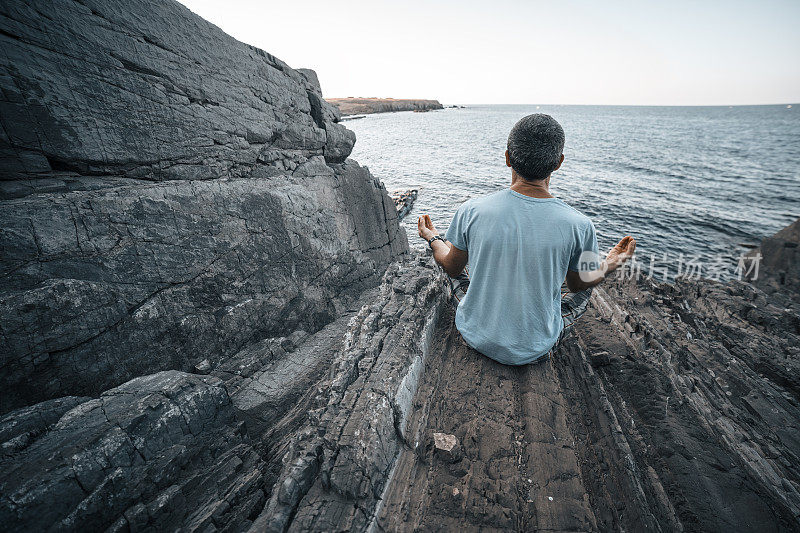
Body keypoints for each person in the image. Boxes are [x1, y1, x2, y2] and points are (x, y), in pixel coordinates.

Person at [417, 114, 636, 365]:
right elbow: (577, 285)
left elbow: (452, 266)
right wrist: (612, 262)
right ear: (558, 163)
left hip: (474, 336)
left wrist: (433, 237)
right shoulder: (580, 225)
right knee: (588, 286)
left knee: (457, 265)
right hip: (535, 349)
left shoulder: (471, 210)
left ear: (508, 157)